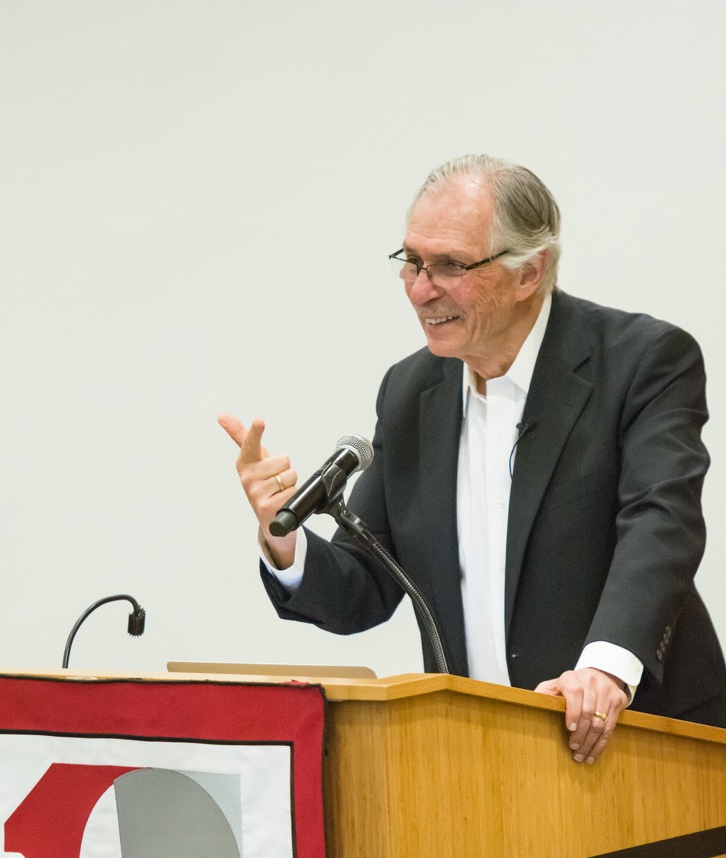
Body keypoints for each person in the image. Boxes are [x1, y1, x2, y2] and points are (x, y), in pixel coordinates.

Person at [219, 154, 726, 764]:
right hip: (481, 764)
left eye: (450, 266)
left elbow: (659, 524)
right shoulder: (410, 393)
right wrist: (285, 540)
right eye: (411, 260)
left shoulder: (642, 362)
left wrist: (605, 670)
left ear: (528, 273)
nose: (420, 288)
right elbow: (367, 585)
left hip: (644, 743)